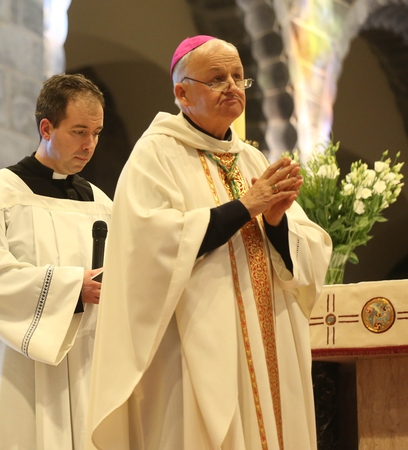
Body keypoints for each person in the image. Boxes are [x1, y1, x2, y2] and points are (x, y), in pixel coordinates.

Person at [86, 36, 332, 450]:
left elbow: (308, 245)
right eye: (217, 78)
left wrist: (274, 222)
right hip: (194, 340)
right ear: (182, 93)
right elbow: (150, 245)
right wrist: (246, 205)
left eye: (238, 77)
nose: (233, 87)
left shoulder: (251, 158)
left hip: (265, 331)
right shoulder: (155, 155)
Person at [0, 73, 112, 450]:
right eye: (79, 131)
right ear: (46, 127)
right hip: (16, 372)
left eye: (97, 133)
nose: (90, 145)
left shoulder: (102, 204)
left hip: (86, 368)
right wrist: (72, 288)